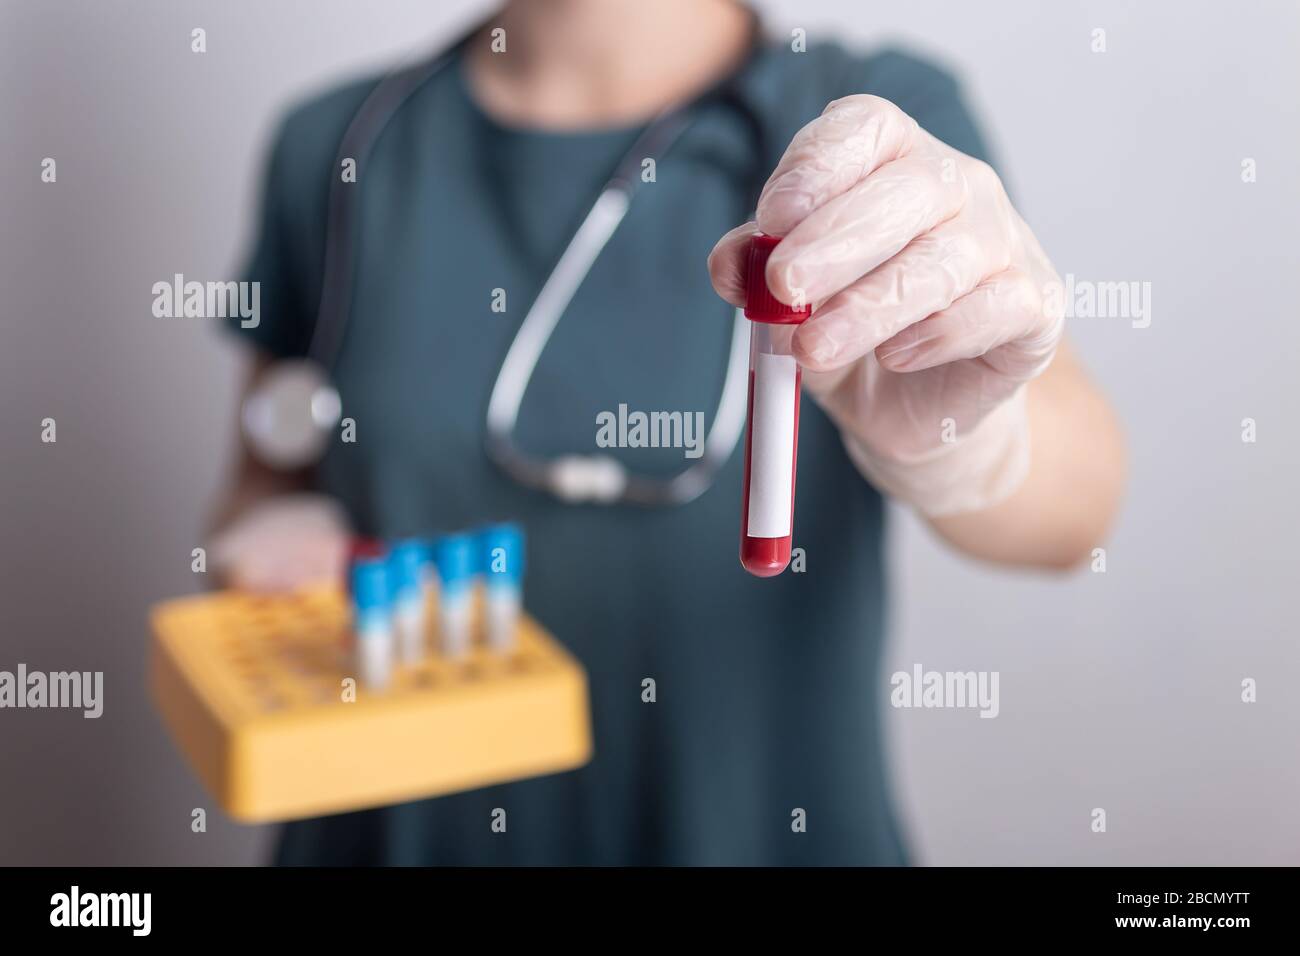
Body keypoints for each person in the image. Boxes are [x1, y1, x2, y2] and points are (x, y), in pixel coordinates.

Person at [213, 0, 1125, 865]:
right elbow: (267, 470)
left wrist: (966, 447)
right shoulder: (340, 145)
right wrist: (263, 548)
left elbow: (1080, 511)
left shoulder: (876, 130)